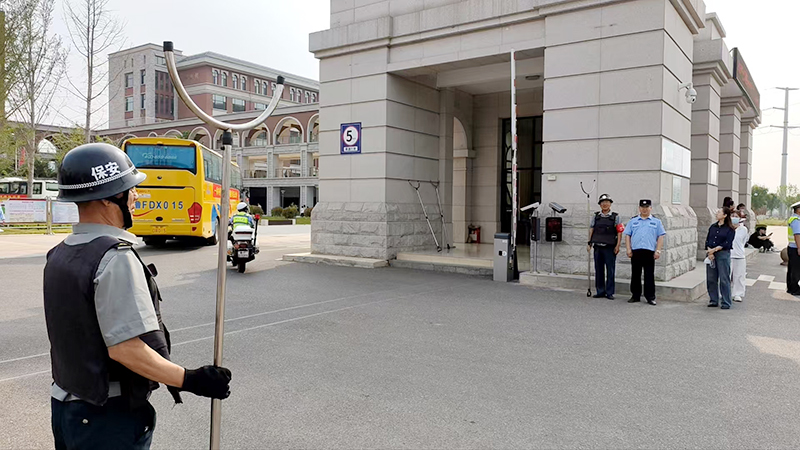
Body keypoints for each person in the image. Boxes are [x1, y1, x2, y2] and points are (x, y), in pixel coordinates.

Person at [45, 143, 232, 450]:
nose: (136, 196)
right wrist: (190, 379)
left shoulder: (61, 253)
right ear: (108, 198)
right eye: (130, 189)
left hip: (68, 409)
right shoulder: (113, 258)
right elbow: (126, 349)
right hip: (107, 419)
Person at [624, 199, 666, 306]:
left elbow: (660, 236)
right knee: (635, 275)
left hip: (649, 252)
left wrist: (658, 250)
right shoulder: (633, 221)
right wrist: (628, 249)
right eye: (642, 207)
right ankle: (635, 296)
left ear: (650, 208)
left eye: (647, 207)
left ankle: (650, 297)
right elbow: (628, 235)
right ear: (639, 208)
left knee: (649, 275)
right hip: (636, 251)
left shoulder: (656, 222)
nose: (644, 209)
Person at [587, 194, 623, 299]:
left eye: (607, 202)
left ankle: (610, 292)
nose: (605, 204)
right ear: (600, 204)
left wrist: (618, 245)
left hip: (610, 247)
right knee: (598, 270)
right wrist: (589, 242)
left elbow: (620, 232)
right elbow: (591, 229)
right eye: (603, 202)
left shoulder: (616, 217)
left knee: (610, 270)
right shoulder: (595, 216)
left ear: (610, 204)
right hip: (598, 246)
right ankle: (600, 291)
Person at [705, 208, 736, 309]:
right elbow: (708, 240)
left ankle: (726, 301)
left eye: (719, 212)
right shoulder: (713, 227)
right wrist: (709, 251)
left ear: (725, 215)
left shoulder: (730, 229)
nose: (717, 213)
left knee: (724, 279)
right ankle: (713, 300)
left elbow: (727, 243)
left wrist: (714, 250)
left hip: (722, 254)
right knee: (711, 278)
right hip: (711, 254)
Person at [730, 210, 749, 302]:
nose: (734, 218)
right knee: (726, 276)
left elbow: (743, 241)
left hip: (739, 255)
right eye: (732, 216)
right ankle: (724, 293)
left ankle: (738, 294)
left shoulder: (743, 229)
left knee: (739, 276)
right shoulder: (727, 228)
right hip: (729, 254)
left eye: (736, 216)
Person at [787, 201, 800, 296]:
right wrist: (799, 247)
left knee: (792, 269)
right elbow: (797, 235)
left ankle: (791, 288)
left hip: (792, 247)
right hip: (795, 248)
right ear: (798, 210)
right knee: (796, 269)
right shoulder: (796, 220)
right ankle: (794, 289)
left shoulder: (793, 218)